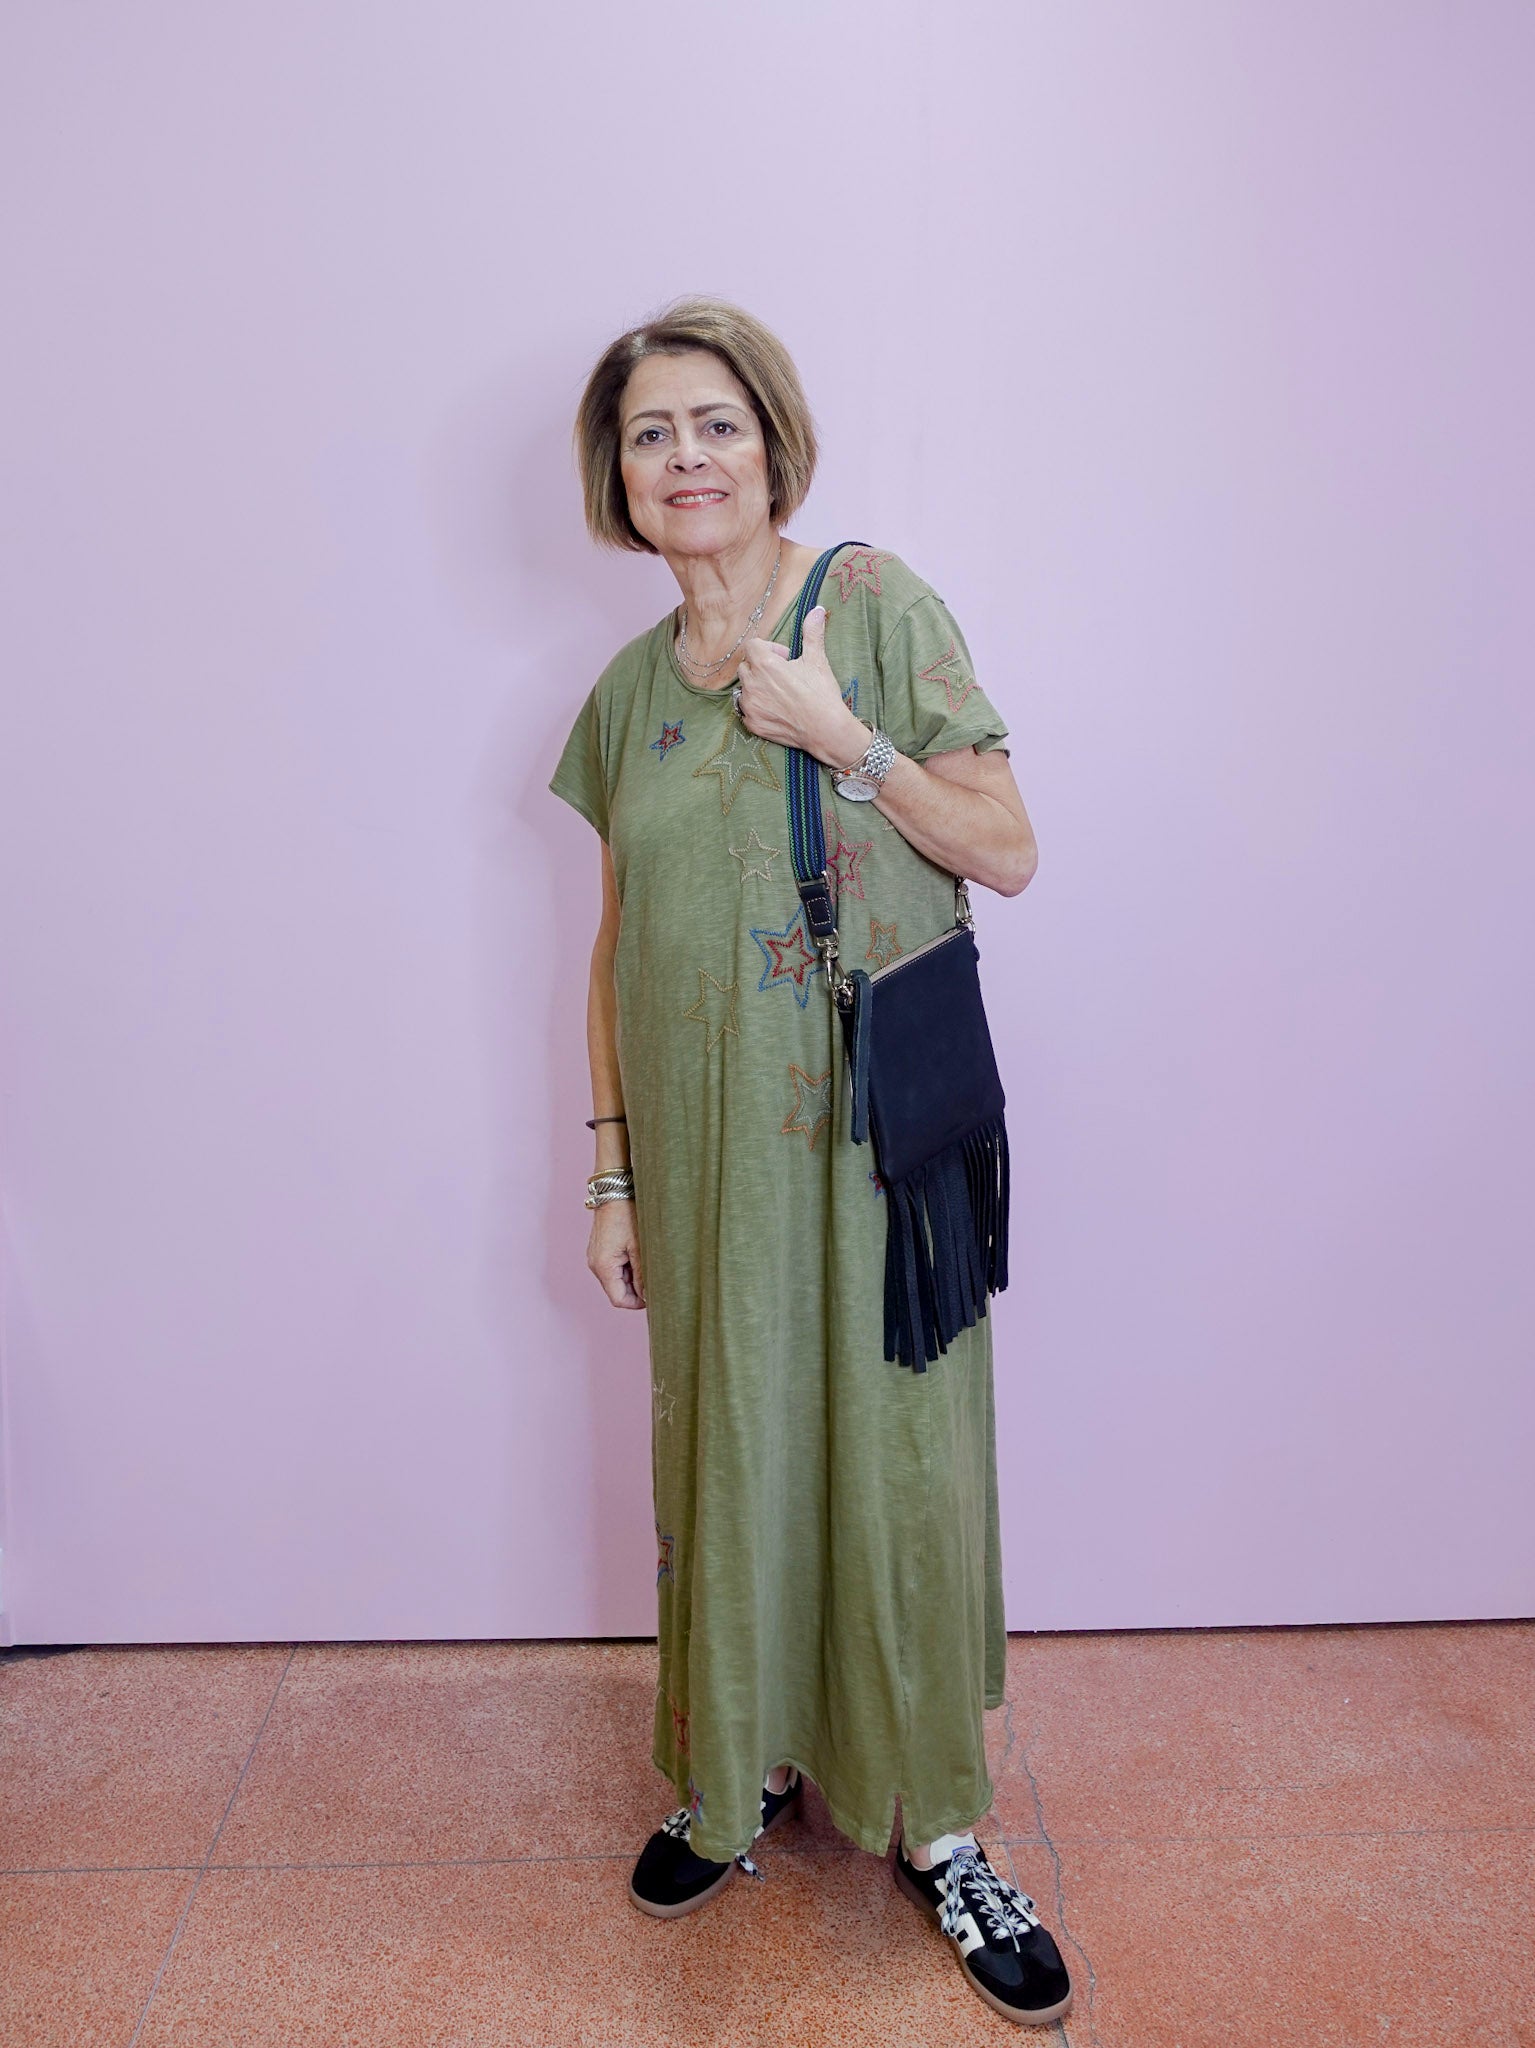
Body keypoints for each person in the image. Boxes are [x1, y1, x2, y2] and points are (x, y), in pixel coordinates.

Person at [550, 297, 1071, 2027]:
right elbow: (617, 944)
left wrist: (838, 736)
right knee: (733, 1450)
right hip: (703, 1168)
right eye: (650, 434)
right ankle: (745, 1764)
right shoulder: (625, 694)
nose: (685, 458)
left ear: (772, 440)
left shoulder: (872, 604)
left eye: (714, 424)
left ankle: (939, 1828)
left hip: (868, 1148)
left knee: (901, 1467)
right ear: (615, 478)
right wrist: (612, 1171)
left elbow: (1007, 849)